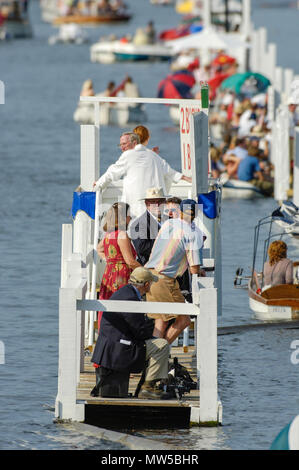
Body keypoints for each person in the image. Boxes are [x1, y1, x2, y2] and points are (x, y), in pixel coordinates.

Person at [91, 267, 171, 400]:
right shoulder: (131, 299)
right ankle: (148, 388)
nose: (151, 286)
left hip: (110, 346)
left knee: (154, 342)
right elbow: (140, 332)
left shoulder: (124, 292)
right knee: (161, 345)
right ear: (146, 285)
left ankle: (146, 385)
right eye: (150, 283)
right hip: (119, 349)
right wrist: (151, 330)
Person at [145, 199, 205, 344]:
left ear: (179, 212)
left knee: (164, 320)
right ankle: (157, 355)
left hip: (149, 274)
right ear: (196, 214)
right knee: (178, 320)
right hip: (164, 279)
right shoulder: (192, 233)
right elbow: (194, 268)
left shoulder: (167, 224)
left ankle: (155, 356)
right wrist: (200, 270)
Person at [93, 131, 188, 217]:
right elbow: (171, 173)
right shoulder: (154, 155)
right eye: (120, 145)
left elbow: (111, 173)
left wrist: (98, 185)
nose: (122, 147)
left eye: (124, 144)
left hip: (135, 208)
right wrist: (188, 179)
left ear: (134, 143)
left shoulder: (128, 155)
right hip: (158, 207)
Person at [96, 202, 141, 329]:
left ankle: (105, 330)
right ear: (122, 218)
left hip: (109, 274)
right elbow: (130, 261)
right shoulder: (122, 235)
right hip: (121, 275)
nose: (130, 218)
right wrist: (145, 271)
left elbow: (99, 249)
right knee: (123, 304)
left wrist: (110, 261)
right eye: (128, 215)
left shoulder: (108, 235)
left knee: (107, 303)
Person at [129, 187, 166, 266]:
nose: (157, 205)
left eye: (160, 201)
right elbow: (142, 248)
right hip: (151, 270)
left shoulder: (171, 220)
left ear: (165, 202)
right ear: (146, 204)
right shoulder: (138, 224)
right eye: (153, 202)